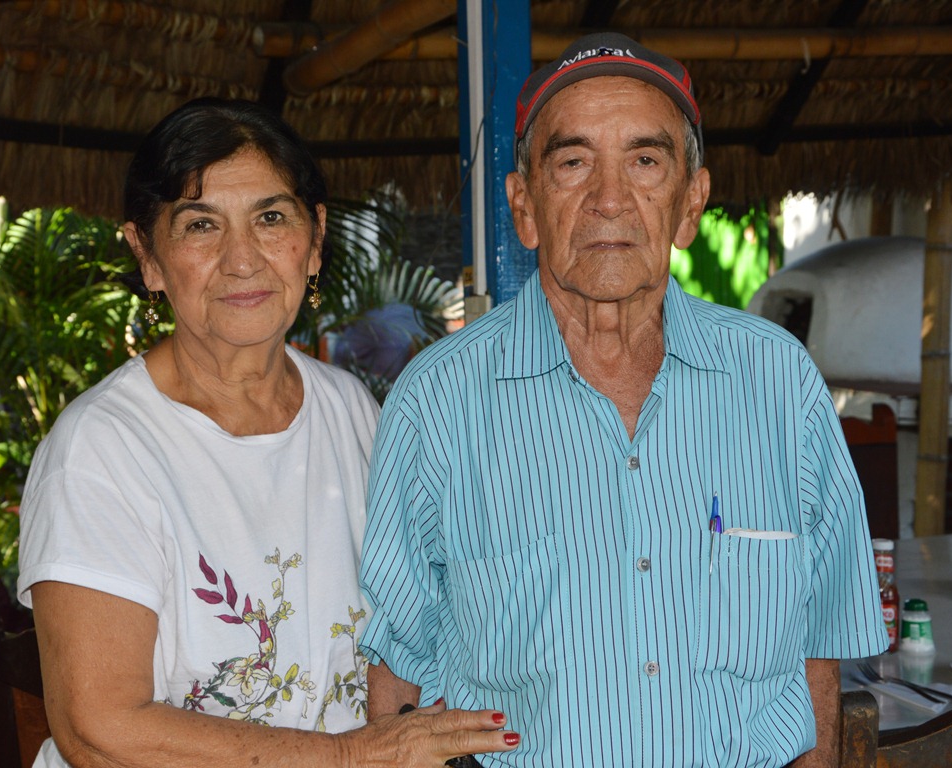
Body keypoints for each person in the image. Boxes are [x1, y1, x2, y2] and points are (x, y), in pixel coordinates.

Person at [359, 32, 888, 767]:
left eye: (645, 161)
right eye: (573, 162)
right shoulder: (437, 401)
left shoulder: (778, 382)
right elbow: (399, 670)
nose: (610, 198)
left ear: (690, 201)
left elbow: (819, 648)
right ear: (525, 207)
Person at [16, 97, 519, 768]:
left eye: (271, 218)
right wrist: (349, 758)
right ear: (149, 256)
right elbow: (99, 730)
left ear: (313, 241)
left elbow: (403, 633)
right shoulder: (101, 451)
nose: (242, 258)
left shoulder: (354, 411)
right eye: (200, 225)